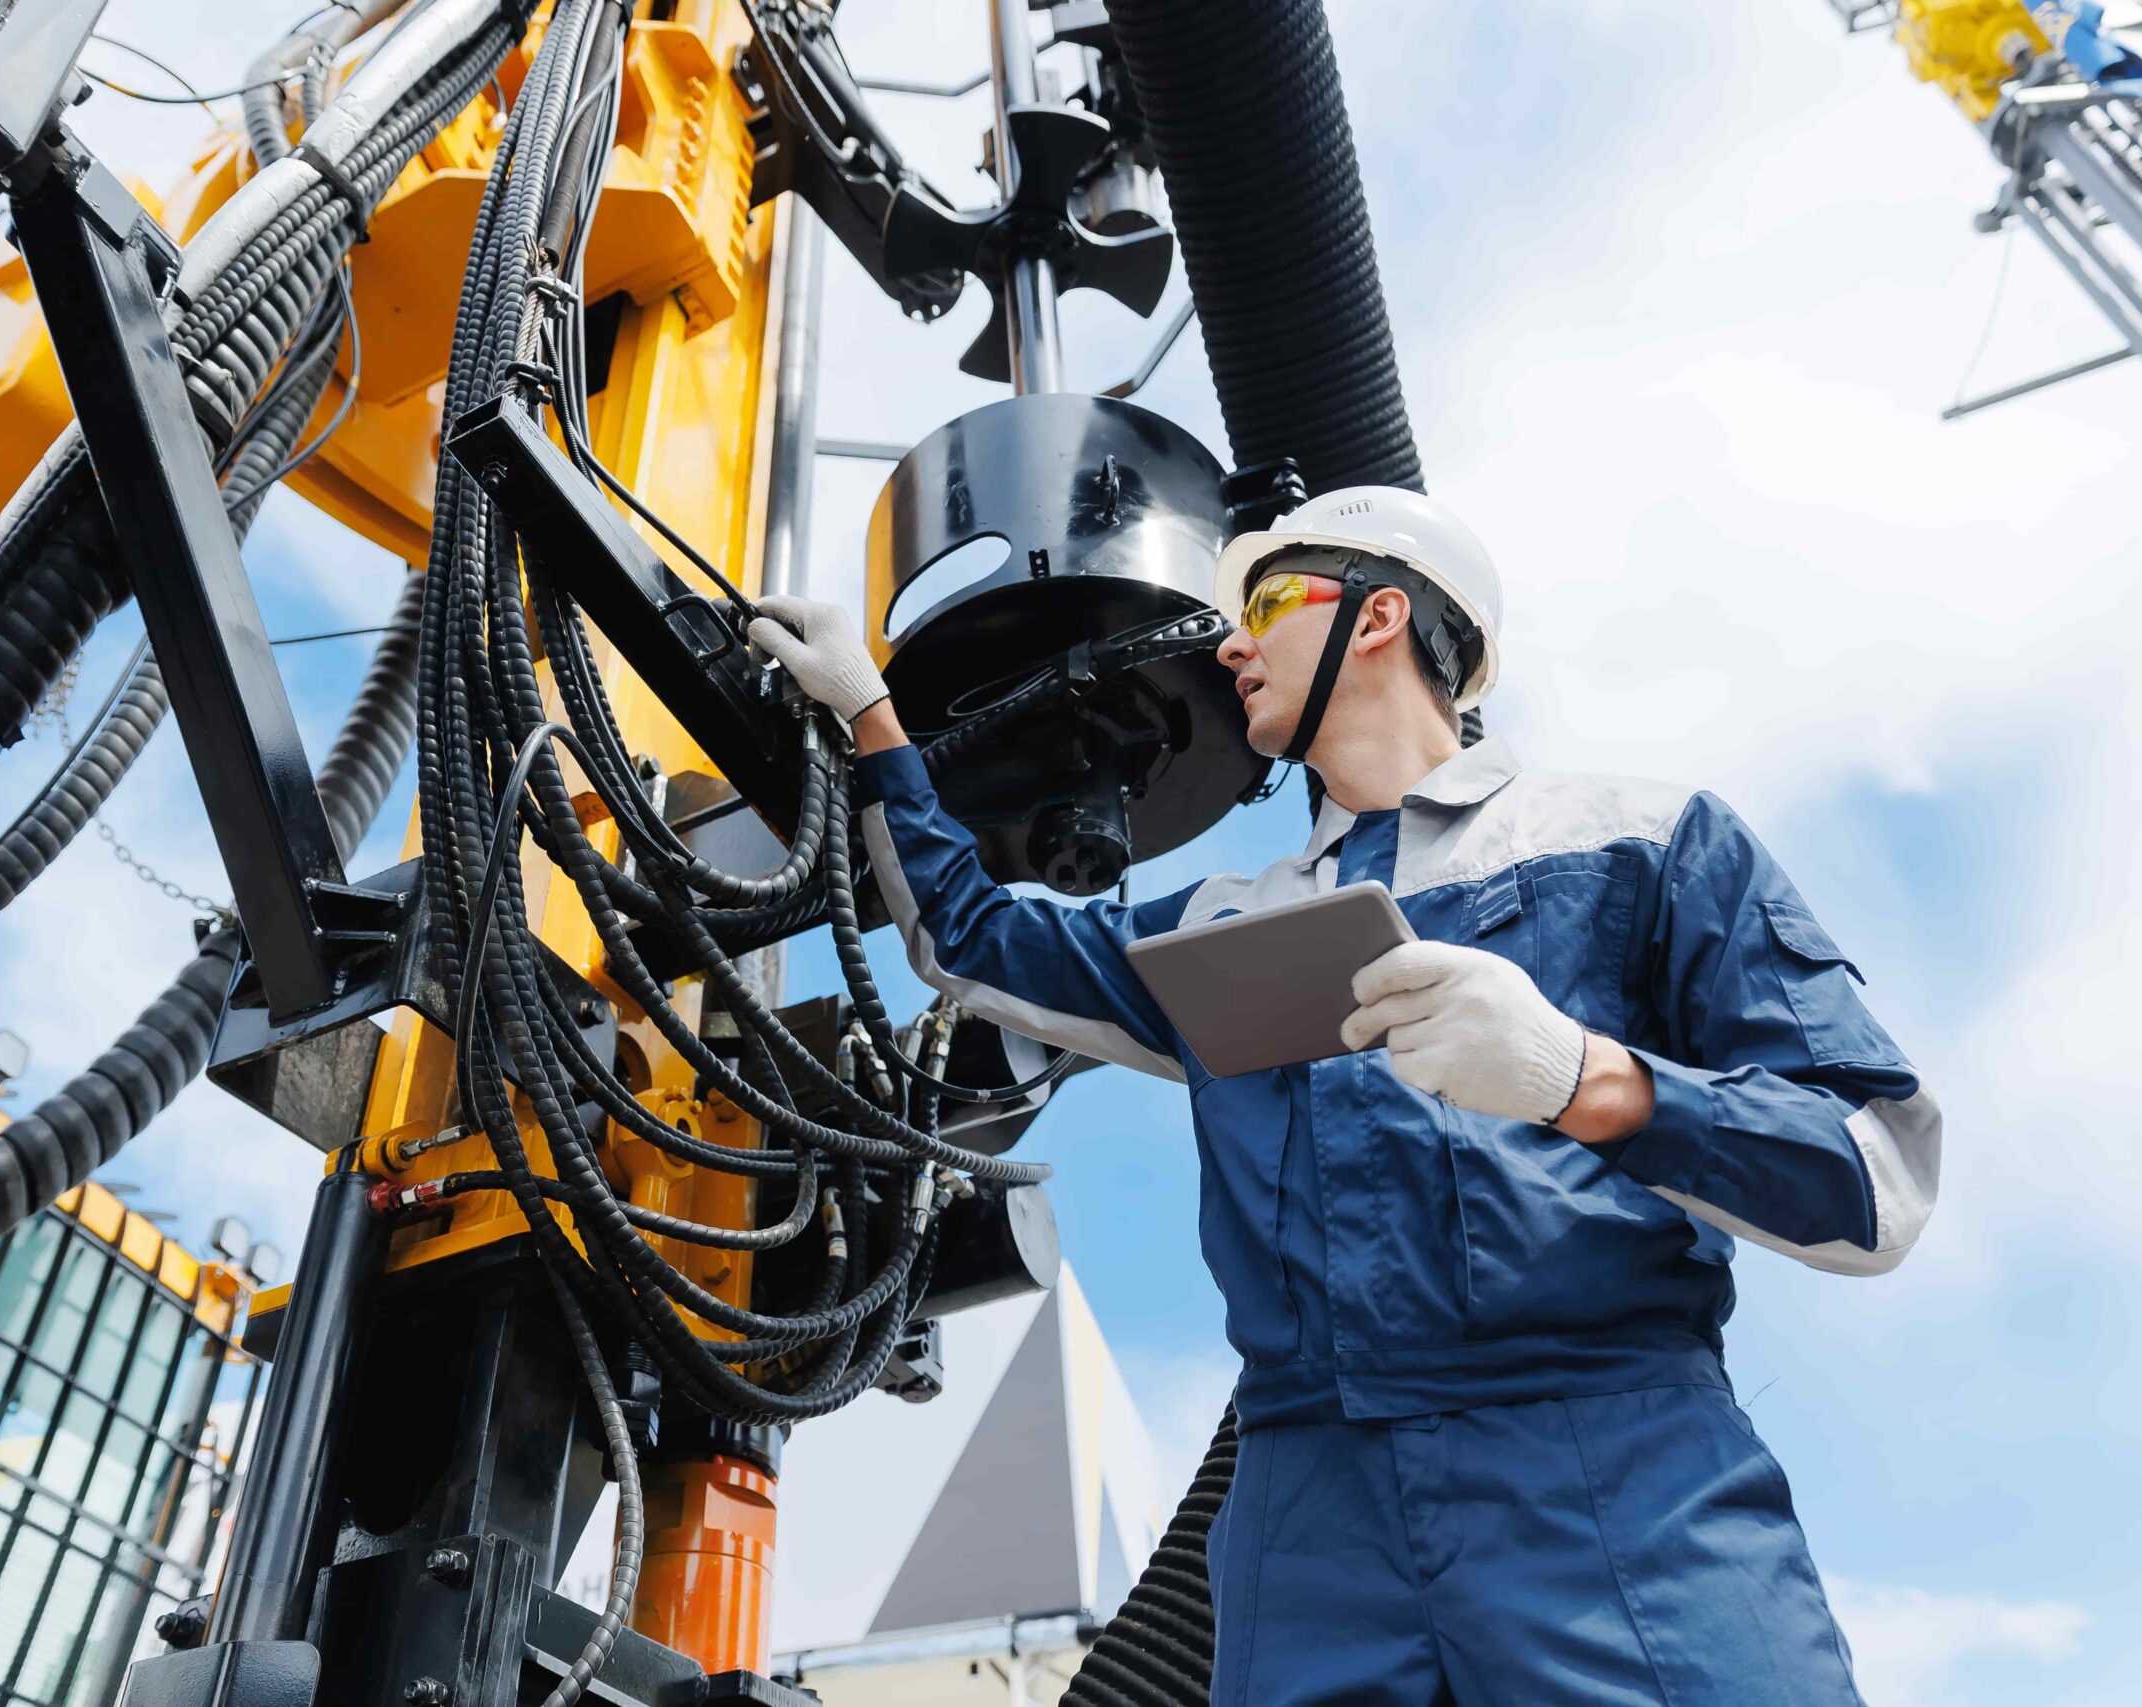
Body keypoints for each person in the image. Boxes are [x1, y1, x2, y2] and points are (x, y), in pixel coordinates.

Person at [749, 485, 1940, 1707]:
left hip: (1608, 1468)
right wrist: (871, 716)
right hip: (1306, 1501)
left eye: (1263, 602)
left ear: (1379, 618)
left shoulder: (1642, 844)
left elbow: (1874, 1177)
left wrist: (1585, 1079)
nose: (1228, 644)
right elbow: (972, 939)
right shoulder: (1221, 924)